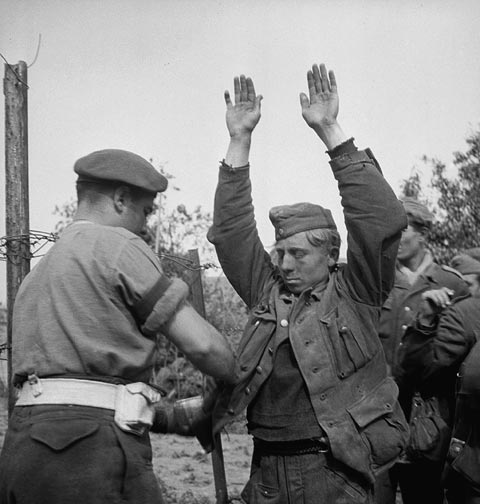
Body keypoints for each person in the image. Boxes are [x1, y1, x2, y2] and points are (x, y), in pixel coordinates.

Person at [204, 63, 409, 503]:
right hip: (267, 473)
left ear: (329, 252)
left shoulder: (357, 290)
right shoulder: (268, 290)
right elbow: (231, 231)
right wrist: (239, 139)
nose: (285, 263)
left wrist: (331, 130)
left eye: (298, 253)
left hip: (334, 473)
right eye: (280, 253)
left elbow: (381, 219)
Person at [0, 149, 235, 504]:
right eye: (145, 211)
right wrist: (234, 373)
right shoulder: (118, 245)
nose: (145, 225)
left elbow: (82, 389)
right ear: (121, 199)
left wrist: (171, 417)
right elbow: (205, 348)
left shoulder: (37, 276)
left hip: (23, 446)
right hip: (90, 451)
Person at [375, 198, 469, 504]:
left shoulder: (451, 283)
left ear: (423, 235)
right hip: (378, 414)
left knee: (423, 496)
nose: (395, 240)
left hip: (426, 419)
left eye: (403, 232)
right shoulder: (379, 280)